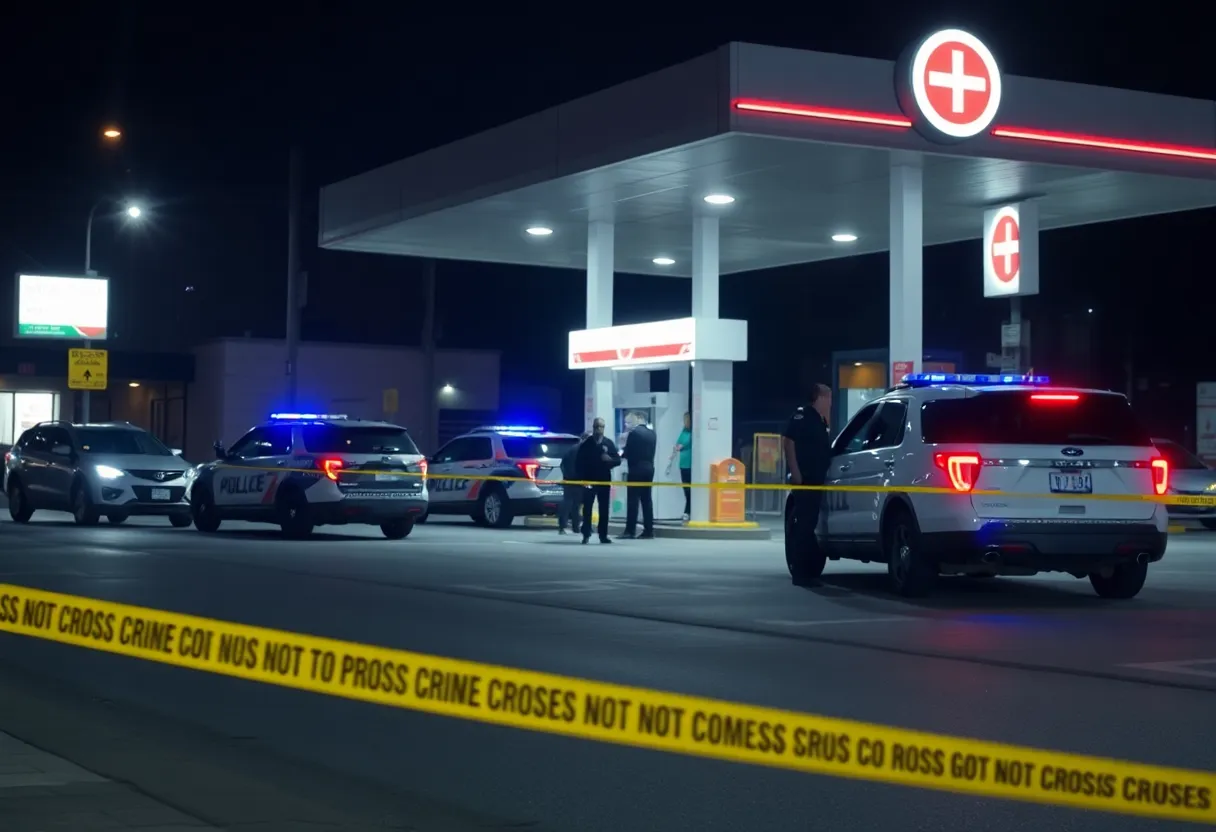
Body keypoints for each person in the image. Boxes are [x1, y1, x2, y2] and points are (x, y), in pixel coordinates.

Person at [782, 383, 833, 586]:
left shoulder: (819, 419)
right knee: (803, 527)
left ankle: (807, 572)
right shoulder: (802, 416)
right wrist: (796, 472)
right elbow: (788, 441)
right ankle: (800, 574)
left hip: (816, 479)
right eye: (829, 398)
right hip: (806, 480)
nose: (831, 403)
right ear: (819, 398)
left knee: (809, 525)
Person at [575, 417, 620, 544]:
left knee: (604, 508)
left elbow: (618, 460)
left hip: (604, 481)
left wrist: (609, 460)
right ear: (593, 427)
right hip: (589, 480)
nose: (599, 429)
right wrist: (581, 479)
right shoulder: (587, 444)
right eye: (596, 427)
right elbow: (579, 463)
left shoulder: (608, 443)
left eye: (601, 427)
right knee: (587, 508)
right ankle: (586, 533)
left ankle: (603, 535)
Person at [620, 411, 656, 539]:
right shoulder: (652, 433)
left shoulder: (634, 434)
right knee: (647, 500)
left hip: (636, 469)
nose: (628, 424)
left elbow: (628, 452)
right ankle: (649, 530)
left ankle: (630, 531)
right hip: (649, 468)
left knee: (633, 500)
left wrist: (620, 454)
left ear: (638, 418)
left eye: (630, 421)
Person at [557, 432, 588, 534]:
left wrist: (567, 476)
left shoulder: (571, 449)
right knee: (575, 505)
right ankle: (575, 527)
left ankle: (564, 526)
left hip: (569, 480)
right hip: (578, 481)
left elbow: (563, 464)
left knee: (569, 504)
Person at [666, 412, 693, 521]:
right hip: (683, 464)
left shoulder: (692, 433)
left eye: (686, 420)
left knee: (690, 489)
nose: (685, 422)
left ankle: (688, 511)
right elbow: (678, 444)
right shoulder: (684, 431)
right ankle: (687, 510)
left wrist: (679, 446)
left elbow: (682, 444)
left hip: (690, 464)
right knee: (686, 489)